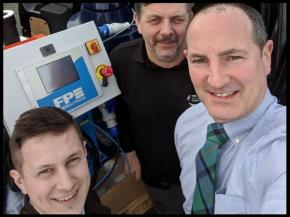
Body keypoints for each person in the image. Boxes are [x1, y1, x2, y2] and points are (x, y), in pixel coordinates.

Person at [174, 3, 286, 214]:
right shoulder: (187, 124)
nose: (216, 80)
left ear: (266, 56)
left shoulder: (279, 153)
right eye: (199, 60)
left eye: (233, 57)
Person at [110, 3, 196, 214]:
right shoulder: (121, 60)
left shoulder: (209, 63)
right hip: (158, 184)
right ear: (137, 21)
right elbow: (121, 111)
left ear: (190, 19)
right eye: (155, 20)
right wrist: (129, 151)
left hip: (209, 180)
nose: (166, 31)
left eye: (177, 19)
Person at [8, 107, 111, 214]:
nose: (68, 185)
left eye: (72, 160)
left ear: (85, 152)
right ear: (20, 182)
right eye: (45, 171)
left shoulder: (86, 197)